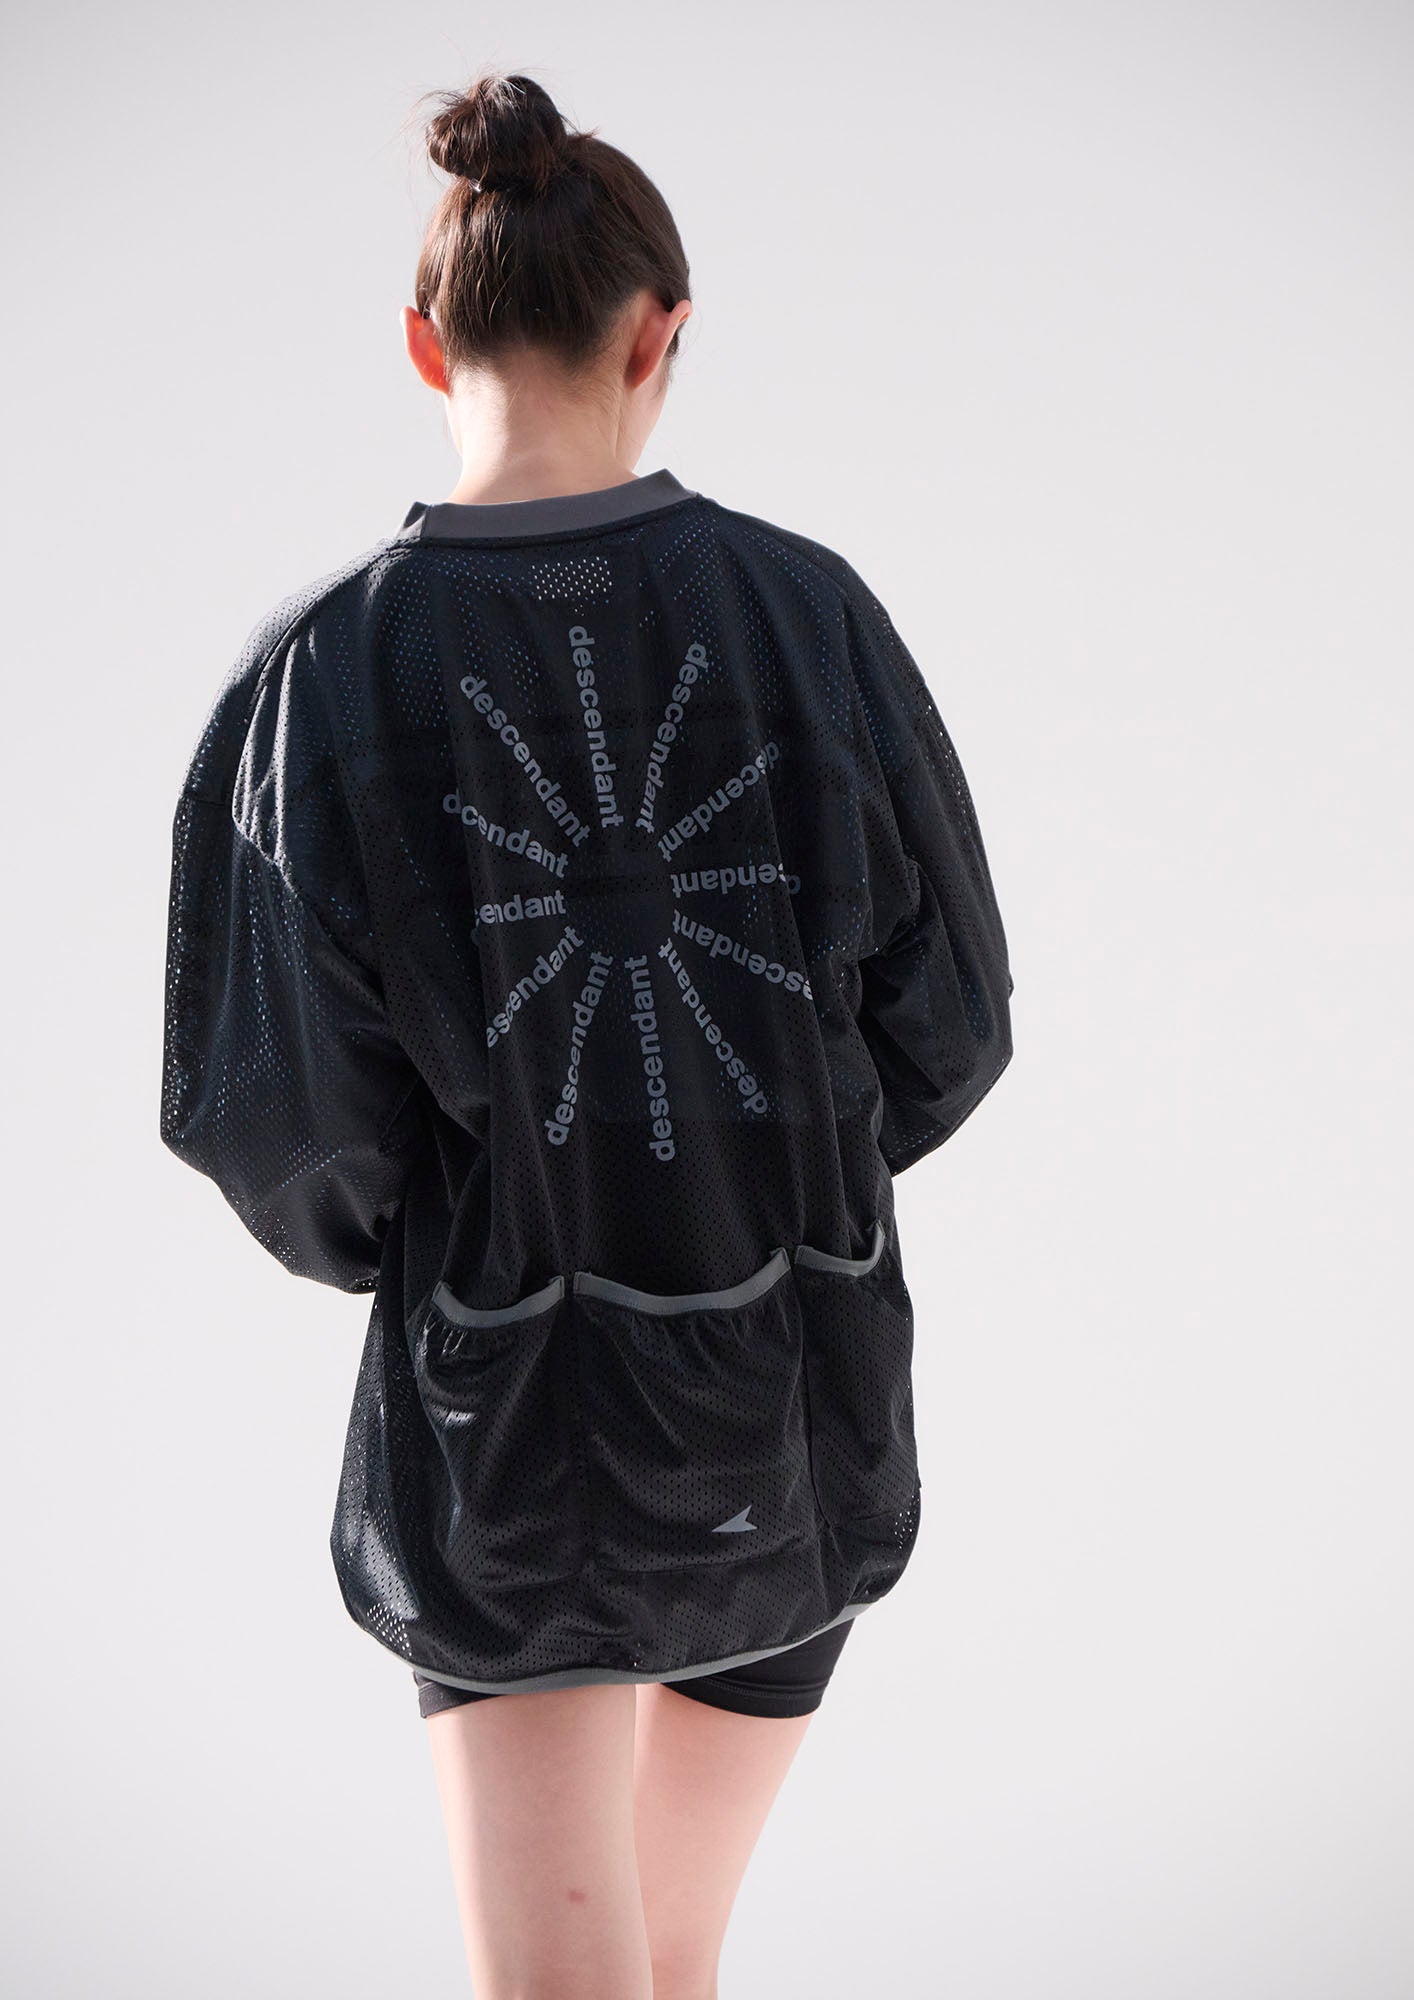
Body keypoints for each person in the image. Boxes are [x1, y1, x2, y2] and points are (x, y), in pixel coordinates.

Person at [160, 68, 1014, 2000]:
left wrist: (459, 1223)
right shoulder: (810, 616)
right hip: (791, 1389)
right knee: (672, 1961)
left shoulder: (319, 678)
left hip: (507, 1423)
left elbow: (276, 1125)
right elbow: (949, 1022)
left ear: (420, 342)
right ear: (659, 336)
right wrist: (764, 1150)